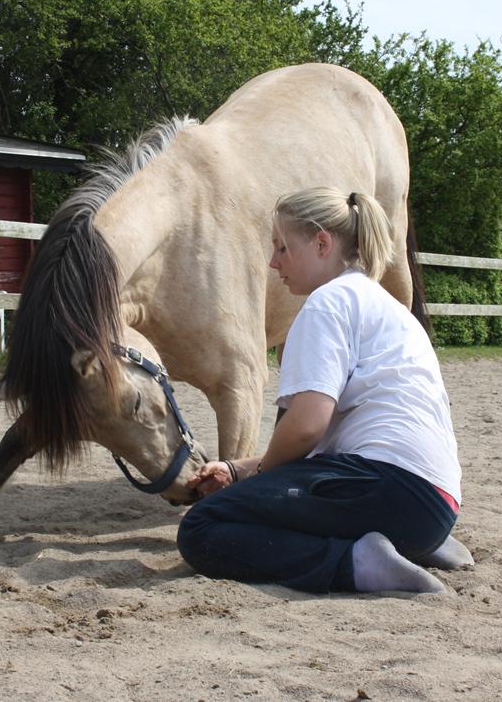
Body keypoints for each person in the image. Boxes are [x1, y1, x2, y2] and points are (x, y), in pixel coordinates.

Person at [176, 188, 466, 594]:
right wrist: (237, 469)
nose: (273, 261)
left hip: (386, 488)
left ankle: (359, 564)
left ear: (322, 243)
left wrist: (257, 477)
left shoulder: (326, 304)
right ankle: (411, 545)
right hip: (435, 504)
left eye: (282, 247)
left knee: (203, 526)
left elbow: (307, 426)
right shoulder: (386, 308)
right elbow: (321, 449)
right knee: (272, 494)